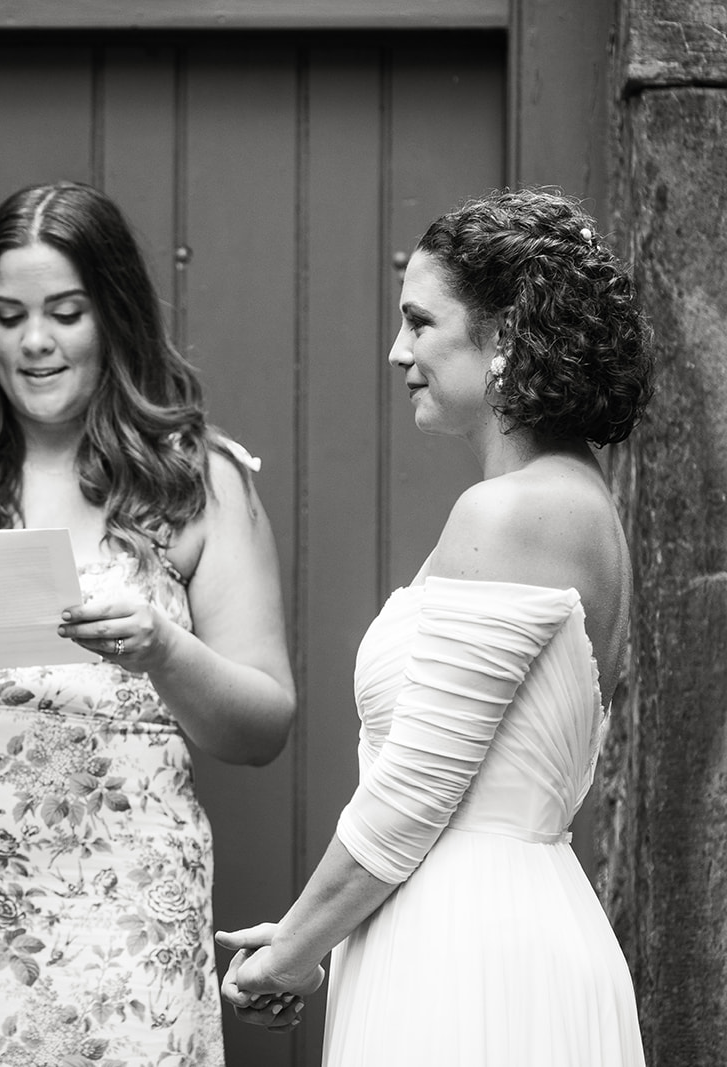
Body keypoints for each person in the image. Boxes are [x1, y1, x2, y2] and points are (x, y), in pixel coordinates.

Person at [0, 181, 297, 1066]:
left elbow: (263, 726)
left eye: (65, 312)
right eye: (8, 315)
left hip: (120, 926)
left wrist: (164, 649)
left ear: (114, 316)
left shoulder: (199, 481)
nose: (34, 341)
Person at [217, 187, 652, 1064]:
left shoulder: (511, 513)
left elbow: (416, 789)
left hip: (471, 952)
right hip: (495, 919)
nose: (397, 350)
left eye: (420, 322)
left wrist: (295, 954)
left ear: (503, 338)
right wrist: (313, 930)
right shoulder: (576, 502)